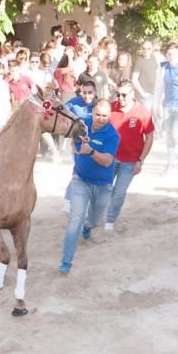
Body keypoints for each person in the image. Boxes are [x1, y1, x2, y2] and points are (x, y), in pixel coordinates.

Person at [59, 99, 118, 275]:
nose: (101, 119)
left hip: (102, 185)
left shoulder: (112, 135)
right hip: (81, 179)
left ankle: (88, 226)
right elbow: (68, 128)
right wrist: (76, 148)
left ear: (110, 116)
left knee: (94, 220)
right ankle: (66, 261)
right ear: (92, 112)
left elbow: (107, 161)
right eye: (98, 114)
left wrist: (90, 151)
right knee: (74, 220)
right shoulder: (82, 124)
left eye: (105, 116)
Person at [106, 82, 154, 233]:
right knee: (103, 189)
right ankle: (96, 215)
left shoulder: (142, 112)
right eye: (118, 94)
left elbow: (149, 137)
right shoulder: (110, 108)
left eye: (124, 95)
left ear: (132, 94)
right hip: (110, 158)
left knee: (119, 192)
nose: (120, 98)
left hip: (130, 161)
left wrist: (141, 160)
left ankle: (110, 220)